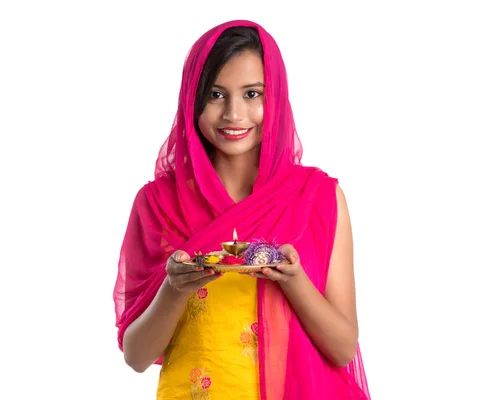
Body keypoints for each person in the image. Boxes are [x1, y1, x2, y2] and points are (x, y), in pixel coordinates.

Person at [113, 19, 371, 399]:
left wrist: (292, 280)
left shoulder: (318, 198)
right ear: (192, 99)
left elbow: (342, 348)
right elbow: (136, 356)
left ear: (276, 97)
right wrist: (173, 288)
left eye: (252, 94)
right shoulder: (158, 204)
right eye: (216, 95)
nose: (234, 114)